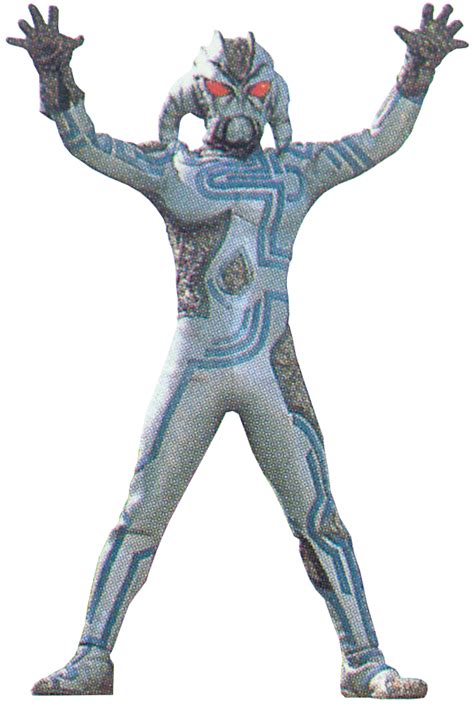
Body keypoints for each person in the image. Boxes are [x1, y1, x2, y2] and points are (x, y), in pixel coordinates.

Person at [7, 3, 467, 698]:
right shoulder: (175, 170)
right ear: (199, 97)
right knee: (142, 513)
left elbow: (378, 140)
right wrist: (55, 74)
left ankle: (364, 657)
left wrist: (417, 72)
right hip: (200, 363)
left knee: (318, 518)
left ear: (272, 98)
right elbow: (87, 142)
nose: (240, 109)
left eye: (252, 94)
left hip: (266, 366)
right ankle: (92, 653)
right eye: (226, 92)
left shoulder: (293, 172)